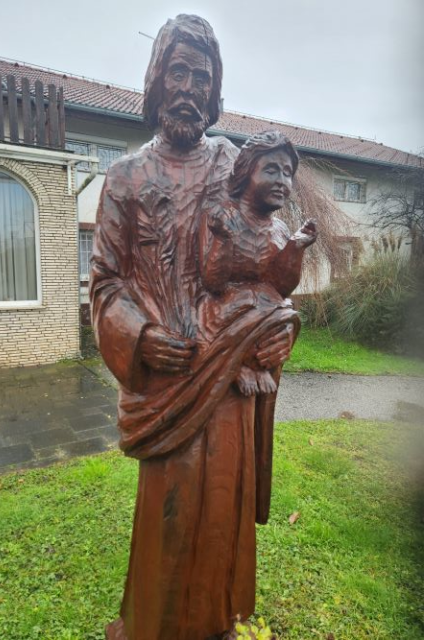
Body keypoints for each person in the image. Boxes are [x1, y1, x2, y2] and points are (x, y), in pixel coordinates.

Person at [90, 15, 298, 640]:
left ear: (214, 92)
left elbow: (273, 261)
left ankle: (214, 627)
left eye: (201, 77)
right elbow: (104, 284)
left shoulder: (240, 165)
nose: (188, 88)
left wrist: (282, 329)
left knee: (221, 512)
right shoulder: (125, 177)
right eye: (176, 72)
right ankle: (150, 627)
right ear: (156, 81)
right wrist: (141, 339)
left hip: (230, 384)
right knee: (171, 516)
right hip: (166, 384)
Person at [199, 131, 317, 398]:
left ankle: (257, 364)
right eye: (271, 170)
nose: (281, 181)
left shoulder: (280, 228)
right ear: (246, 172)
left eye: (287, 173)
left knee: (273, 304)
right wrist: (223, 239)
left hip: (265, 321)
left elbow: (280, 287)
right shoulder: (224, 215)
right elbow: (212, 283)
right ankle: (234, 365)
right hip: (223, 319)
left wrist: (295, 247)